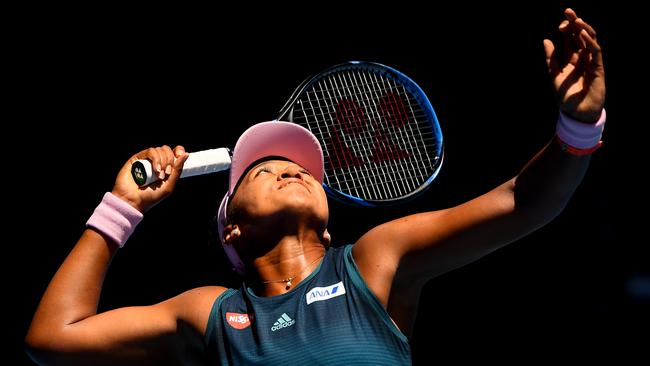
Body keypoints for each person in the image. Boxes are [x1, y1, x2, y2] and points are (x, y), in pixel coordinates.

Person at [26, 8, 605, 365]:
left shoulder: (374, 263)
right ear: (233, 225)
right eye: (262, 169)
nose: (293, 168)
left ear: (329, 220)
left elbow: (521, 203)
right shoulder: (211, 316)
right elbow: (53, 337)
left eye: (304, 167)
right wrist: (121, 208)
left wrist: (577, 127)